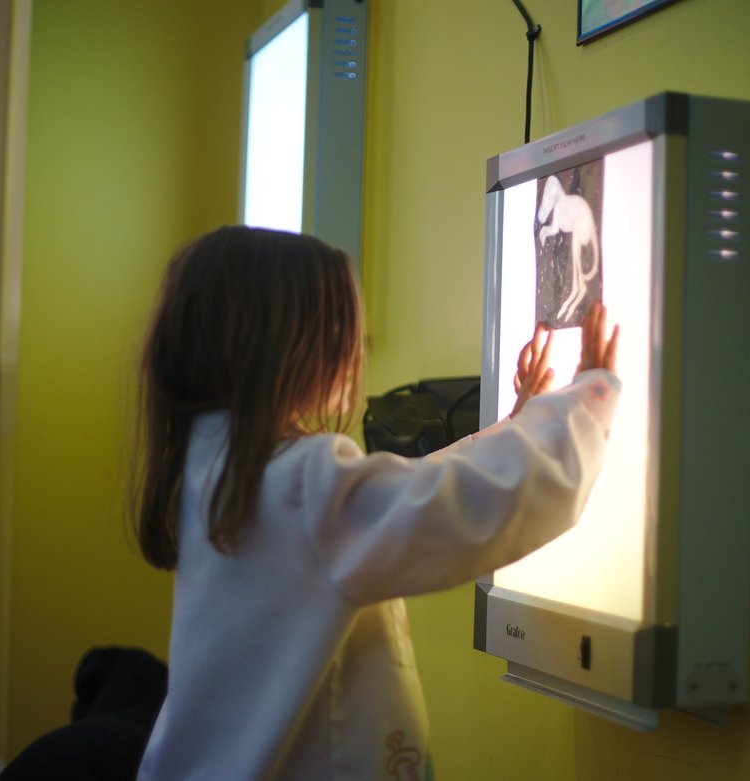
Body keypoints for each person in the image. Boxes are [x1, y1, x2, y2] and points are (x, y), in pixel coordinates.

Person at [132, 225, 620, 781]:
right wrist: (586, 401)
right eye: (341, 331)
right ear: (281, 345)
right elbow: (463, 508)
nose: (355, 353)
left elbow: (397, 495)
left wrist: (520, 423)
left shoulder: (220, 463)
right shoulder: (304, 484)